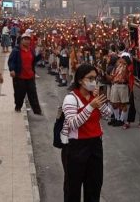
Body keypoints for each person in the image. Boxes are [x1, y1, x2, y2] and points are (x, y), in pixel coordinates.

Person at [60, 64, 113, 202]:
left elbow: (108, 115)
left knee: (94, 186)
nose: (93, 82)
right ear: (80, 80)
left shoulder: (95, 98)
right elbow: (73, 123)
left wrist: (99, 102)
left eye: (95, 78)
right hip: (76, 146)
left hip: (95, 145)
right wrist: (90, 106)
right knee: (73, 188)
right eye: (90, 78)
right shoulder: (71, 99)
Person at [8, 32, 44, 114]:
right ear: (21, 40)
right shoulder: (16, 50)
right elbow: (11, 61)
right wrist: (12, 69)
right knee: (19, 94)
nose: (27, 41)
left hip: (30, 76)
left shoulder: (31, 50)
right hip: (20, 77)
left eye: (28, 39)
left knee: (33, 94)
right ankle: (18, 107)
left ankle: (37, 111)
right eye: (25, 39)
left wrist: (40, 56)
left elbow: (33, 61)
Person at [109, 56, 131, 129]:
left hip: (123, 85)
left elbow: (129, 75)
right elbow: (112, 75)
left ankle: (121, 120)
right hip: (115, 84)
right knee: (114, 103)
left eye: (122, 58)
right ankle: (117, 118)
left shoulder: (128, 66)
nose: (120, 59)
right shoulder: (117, 66)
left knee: (123, 104)